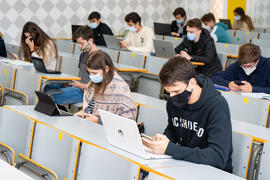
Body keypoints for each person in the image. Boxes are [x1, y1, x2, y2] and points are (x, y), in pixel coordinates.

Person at [142, 56, 233, 173]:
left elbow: (218, 157)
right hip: (186, 164)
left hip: (214, 171)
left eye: (176, 91)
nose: (172, 97)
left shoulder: (217, 106)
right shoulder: (173, 101)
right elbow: (174, 129)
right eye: (168, 92)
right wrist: (163, 140)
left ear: (192, 83)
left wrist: (171, 149)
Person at [75, 51, 137, 123]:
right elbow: (89, 107)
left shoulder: (121, 88)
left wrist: (98, 121)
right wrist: (82, 114)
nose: (91, 76)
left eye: (94, 73)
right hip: (92, 126)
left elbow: (128, 121)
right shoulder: (93, 84)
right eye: (90, 73)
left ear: (106, 69)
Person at [45, 26, 99, 104]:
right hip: (77, 87)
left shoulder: (99, 58)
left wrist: (80, 85)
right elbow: (82, 75)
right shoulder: (83, 54)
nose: (79, 46)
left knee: (49, 96)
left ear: (90, 40)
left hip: (85, 93)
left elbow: (99, 88)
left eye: (81, 43)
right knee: (44, 87)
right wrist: (70, 83)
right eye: (78, 43)